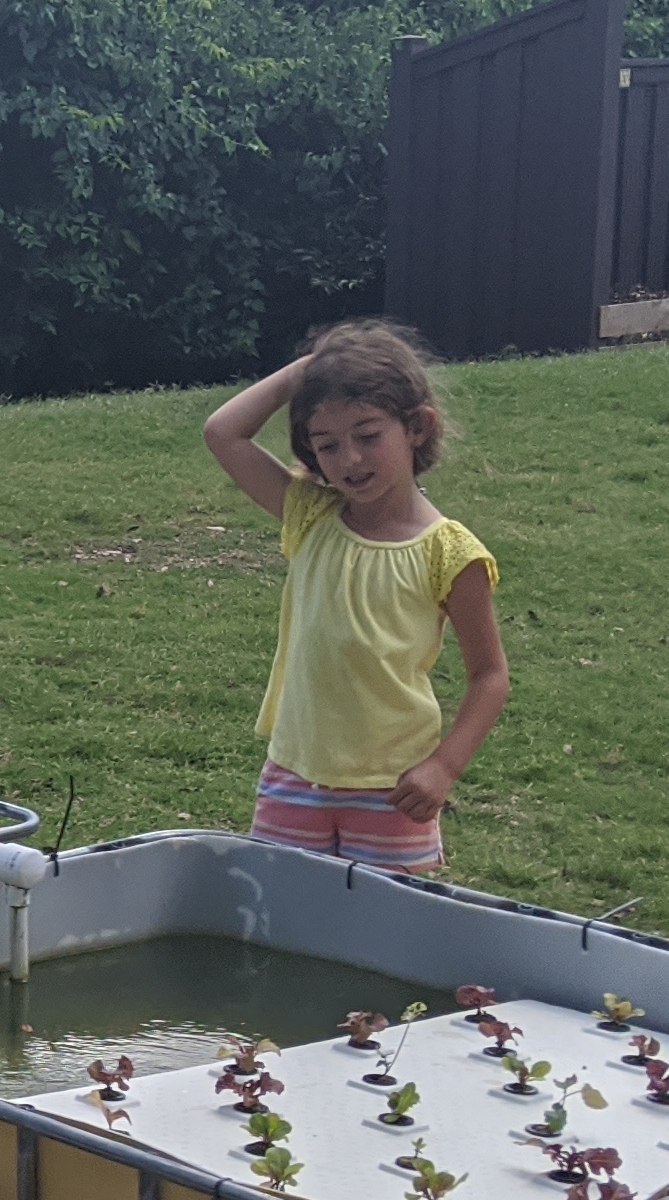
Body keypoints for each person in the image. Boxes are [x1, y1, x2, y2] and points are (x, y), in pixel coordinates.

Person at [200, 322, 508, 869]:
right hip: (294, 778)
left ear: (417, 427)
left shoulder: (451, 553)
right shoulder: (309, 514)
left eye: (368, 436)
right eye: (327, 445)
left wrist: (443, 768)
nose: (349, 460)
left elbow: (490, 675)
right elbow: (224, 433)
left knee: (383, 919)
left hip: (394, 790)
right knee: (286, 912)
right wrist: (308, 371)